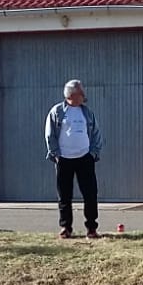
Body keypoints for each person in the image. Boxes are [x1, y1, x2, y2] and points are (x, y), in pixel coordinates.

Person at [44, 79, 103, 239]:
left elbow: (96, 133)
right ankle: (66, 227)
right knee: (64, 195)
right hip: (64, 159)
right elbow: (50, 135)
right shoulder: (57, 112)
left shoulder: (87, 112)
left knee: (90, 194)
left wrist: (93, 153)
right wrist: (56, 154)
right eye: (81, 92)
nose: (84, 95)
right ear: (72, 94)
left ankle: (91, 228)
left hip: (85, 158)